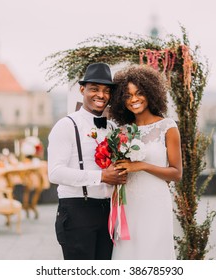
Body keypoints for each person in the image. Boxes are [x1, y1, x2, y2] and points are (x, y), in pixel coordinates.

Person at [47, 63, 127, 260]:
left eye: (106, 90)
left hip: (108, 213)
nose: (101, 95)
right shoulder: (66, 125)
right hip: (77, 212)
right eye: (94, 89)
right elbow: (55, 173)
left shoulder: (112, 128)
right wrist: (101, 176)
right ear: (82, 90)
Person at [108, 64, 183, 260]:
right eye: (127, 95)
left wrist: (141, 165)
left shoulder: (167, 126)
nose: (134, 99)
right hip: (128, 203)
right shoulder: (121, 131)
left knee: (154, 254)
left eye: (139, 93)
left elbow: (176, 173)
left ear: (150, 93)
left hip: (155, 201)